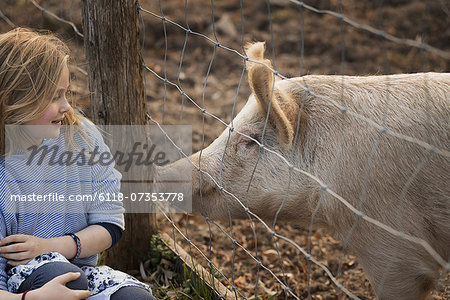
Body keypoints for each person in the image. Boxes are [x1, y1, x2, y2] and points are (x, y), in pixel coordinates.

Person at [0, 28, 155, 299]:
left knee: (134, 297)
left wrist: (51, 245)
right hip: (19, 287)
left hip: (81, 272)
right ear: (13, 100)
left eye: (66, 93)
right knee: (64, 278)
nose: (66, 107)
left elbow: (110, 224)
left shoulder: (83, 138)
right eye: (53, 96)